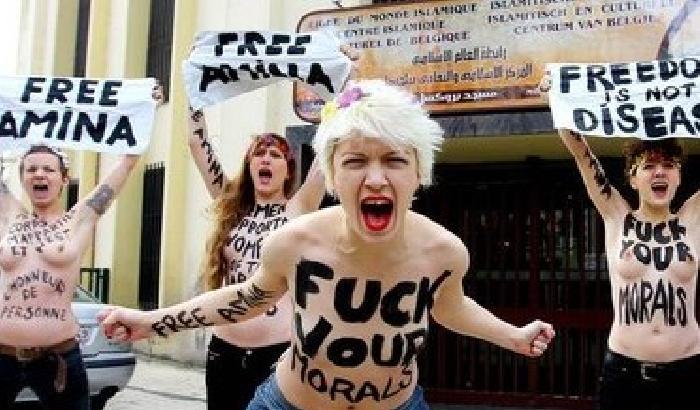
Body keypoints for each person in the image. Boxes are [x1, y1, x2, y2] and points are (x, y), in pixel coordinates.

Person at [100, 79, 555, 410]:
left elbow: (450, 306)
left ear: (419, 172)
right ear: (333, 175)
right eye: (355, 162)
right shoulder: (294, 241)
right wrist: (151, 321)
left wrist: (511, 336)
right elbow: (246, 299)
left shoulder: (444, 252)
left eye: (394, 161)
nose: (375, 178)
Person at [541, 77, 700, 409]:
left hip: (687, 372)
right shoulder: (616, 216)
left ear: (679, 176)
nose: (659, 172)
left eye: (668, 166)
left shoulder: (692, 218)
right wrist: (558, 98)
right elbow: (583, 156)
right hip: (624, 374)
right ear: (633, 178)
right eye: (649, 166)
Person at [0, 87, 161, 410]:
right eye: (31, 169)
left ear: (64, 179)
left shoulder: (79, 219)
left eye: (48, 169)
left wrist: (147, 108)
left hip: (59, 358)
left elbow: (126, 165)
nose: (40, 174)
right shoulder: (8, 214)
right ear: (22, 177)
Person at [185, 105, 325, 410]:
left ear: (288, 170)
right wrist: (194, 93)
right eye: (259, 153)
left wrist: (345, 96)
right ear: (249, 166)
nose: (266, 159)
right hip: (224, 353)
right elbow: (198, 144)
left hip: (277, 355)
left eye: (275, 155)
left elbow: (328, 154)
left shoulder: (298, 209)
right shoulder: (230, 206)